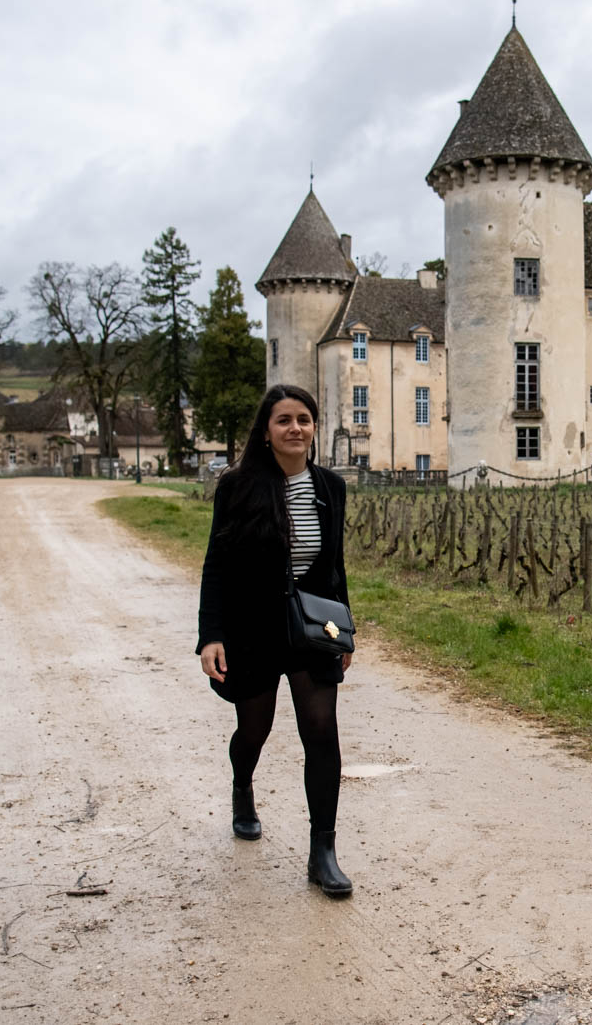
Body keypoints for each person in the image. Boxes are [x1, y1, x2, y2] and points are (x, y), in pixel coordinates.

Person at [196, 384, 355, 897]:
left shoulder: (331, 486)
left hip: (311, 627)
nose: (295, 428)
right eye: (284, 419)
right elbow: (216, 565)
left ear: (314, 427)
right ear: (266, 430)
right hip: (253, 628)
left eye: (304, 419)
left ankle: (323, 852)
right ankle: (243, 788)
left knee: (321, 731)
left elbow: (334, 566)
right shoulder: (238, 486)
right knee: (254, 728)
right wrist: (211, 635)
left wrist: (343, 629)